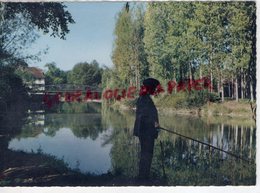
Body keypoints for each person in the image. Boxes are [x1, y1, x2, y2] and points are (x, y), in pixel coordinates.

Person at [133, 78, 160, 181]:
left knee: (146, 154)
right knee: (147, 154)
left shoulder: (144, 98)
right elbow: (145, 117)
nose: (156, 90)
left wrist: (155, 125)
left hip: (145, 131)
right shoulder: (145, 99)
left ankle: (143, 177)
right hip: (146, 132)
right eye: (155, 88)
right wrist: (155, 126)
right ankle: (143, 178)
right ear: (150, 88)